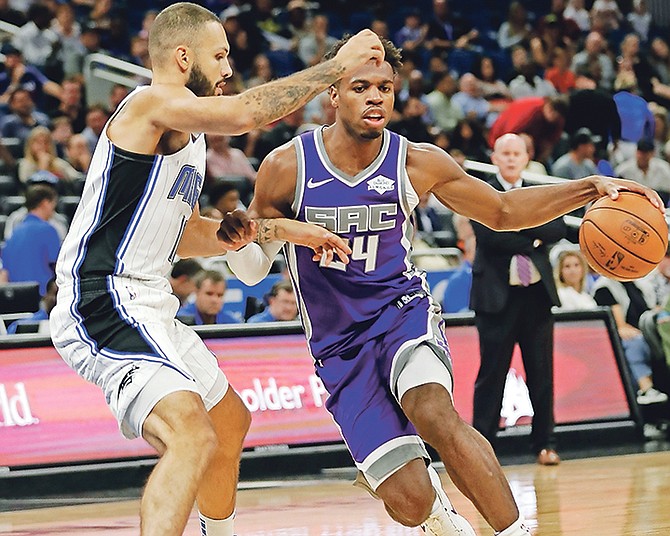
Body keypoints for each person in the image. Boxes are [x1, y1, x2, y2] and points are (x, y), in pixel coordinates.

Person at [221, 35, 663, 536]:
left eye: (385, 87)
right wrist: (240, 242)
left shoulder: (416, 160)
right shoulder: (287, 166)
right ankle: (435, 514)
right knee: (408, 503)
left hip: (400, 312)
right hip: (338, 346)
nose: (375, 97)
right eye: (361, 86)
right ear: (333, 94)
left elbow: (502, 211)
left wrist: (589, 189)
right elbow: (253, 270)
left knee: (431, 408)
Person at [48, 3, 384, 536]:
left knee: (228, 424)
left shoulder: (189, 139)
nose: (229, 69)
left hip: (148, 298)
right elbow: (248, 113)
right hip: (103, 298)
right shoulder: (149, 104)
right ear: (183, 58)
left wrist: (280, 232)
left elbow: (179, 232)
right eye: (220, 56)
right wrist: (335, 69)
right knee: (191, 436)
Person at [470, 134, 567, 467]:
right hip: (496, 298)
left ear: (527, 158)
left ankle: (545, 443)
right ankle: (482, 448)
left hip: (537, 296)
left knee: (542, 374)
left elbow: (557, 229)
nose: (511, 159)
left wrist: (516, 229)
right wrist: (533, 233)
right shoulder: (481, 191)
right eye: (505, 153)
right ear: (494, 157)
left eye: (517, 153)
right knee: (491, 375)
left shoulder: (538, 191)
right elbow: (490, 236)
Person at [1, 184, 60, 296]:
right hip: (42, 301)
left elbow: (4, 276)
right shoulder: (49, 230)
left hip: (17, 303)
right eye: (53, 204)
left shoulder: (14, 234)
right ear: (45, 203)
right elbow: (58, 268)